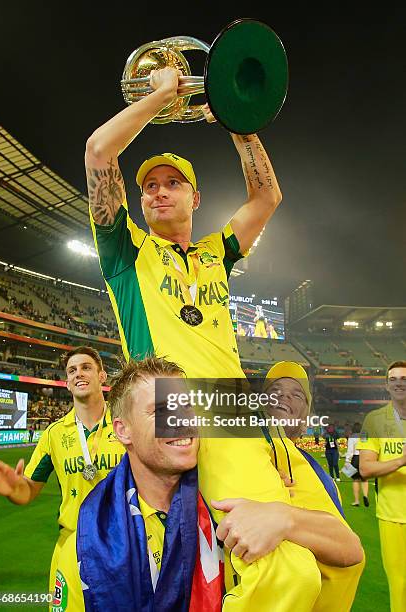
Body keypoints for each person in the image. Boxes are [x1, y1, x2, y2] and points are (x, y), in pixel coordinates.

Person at [84, 67, 351, 610]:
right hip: (174, 404)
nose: (158, 193)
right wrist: (160, 99)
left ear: (195, 197)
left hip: (233, 405)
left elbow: (268, 195)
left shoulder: (215, 254)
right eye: (149, 186)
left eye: (172, 183)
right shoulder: (125, 251)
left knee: (316, 557)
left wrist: (236, 120)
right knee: (282, 573)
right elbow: (97, 152)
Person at [55, 357, 363, 612]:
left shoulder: (239, 490)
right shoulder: (84, 548)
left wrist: (286, 517)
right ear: (123, 430)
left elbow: (350, 551)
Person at [0, 346, 125, 594]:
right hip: (73, 544)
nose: (78, 374)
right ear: (67, 383)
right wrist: (14, 488)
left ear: (102, 376)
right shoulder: (54, 434)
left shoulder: (126, 425)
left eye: (86, 368)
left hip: (125, 543)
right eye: (72, 371)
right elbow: (27, 491)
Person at [263, 361, 365, 611]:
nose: (285, 396)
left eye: (297, 394)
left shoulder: (325, 480)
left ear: (306, 418)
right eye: (275, 391)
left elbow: (348, 554)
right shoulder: (245, 456)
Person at [357, 360, 406, 612]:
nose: (399, 383)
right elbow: (365, 469)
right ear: (387, 386)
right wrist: (401, 460)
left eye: (404, 378)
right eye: (393, 379)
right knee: (400, 584)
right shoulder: (373, 421)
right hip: (393, 516)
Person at [344, 422, 369, 507]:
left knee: (355, 480)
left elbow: (350, 450)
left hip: (356, 458)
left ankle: (357, 501)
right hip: (364, 457)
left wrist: (347, 461)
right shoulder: (364, 436)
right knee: (365, 479)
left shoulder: (352, 437)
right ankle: (365, 495)